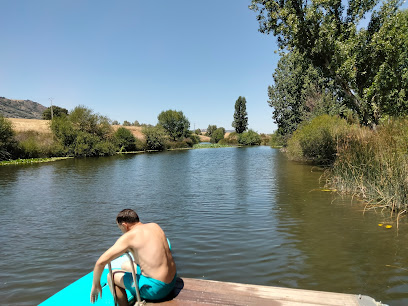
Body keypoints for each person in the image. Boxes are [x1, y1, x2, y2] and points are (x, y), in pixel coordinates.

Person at [90, 209, 177, 305]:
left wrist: (95, 284)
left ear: (124, 225)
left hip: (157, 290)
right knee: (125, 265)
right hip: (171, 282)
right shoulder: (155, 226)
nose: (122, 232)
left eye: (120, 229)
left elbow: (100, 262)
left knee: (111, 276)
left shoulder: (129, 237)